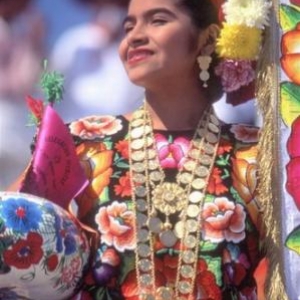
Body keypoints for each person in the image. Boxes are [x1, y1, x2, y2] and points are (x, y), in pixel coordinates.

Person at [7, 0, 268, 299]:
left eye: (157, 20)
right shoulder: (84, 143)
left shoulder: (255, 155)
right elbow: (10, 231)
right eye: (128, 26)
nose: (135, 36)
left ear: (206, 39)